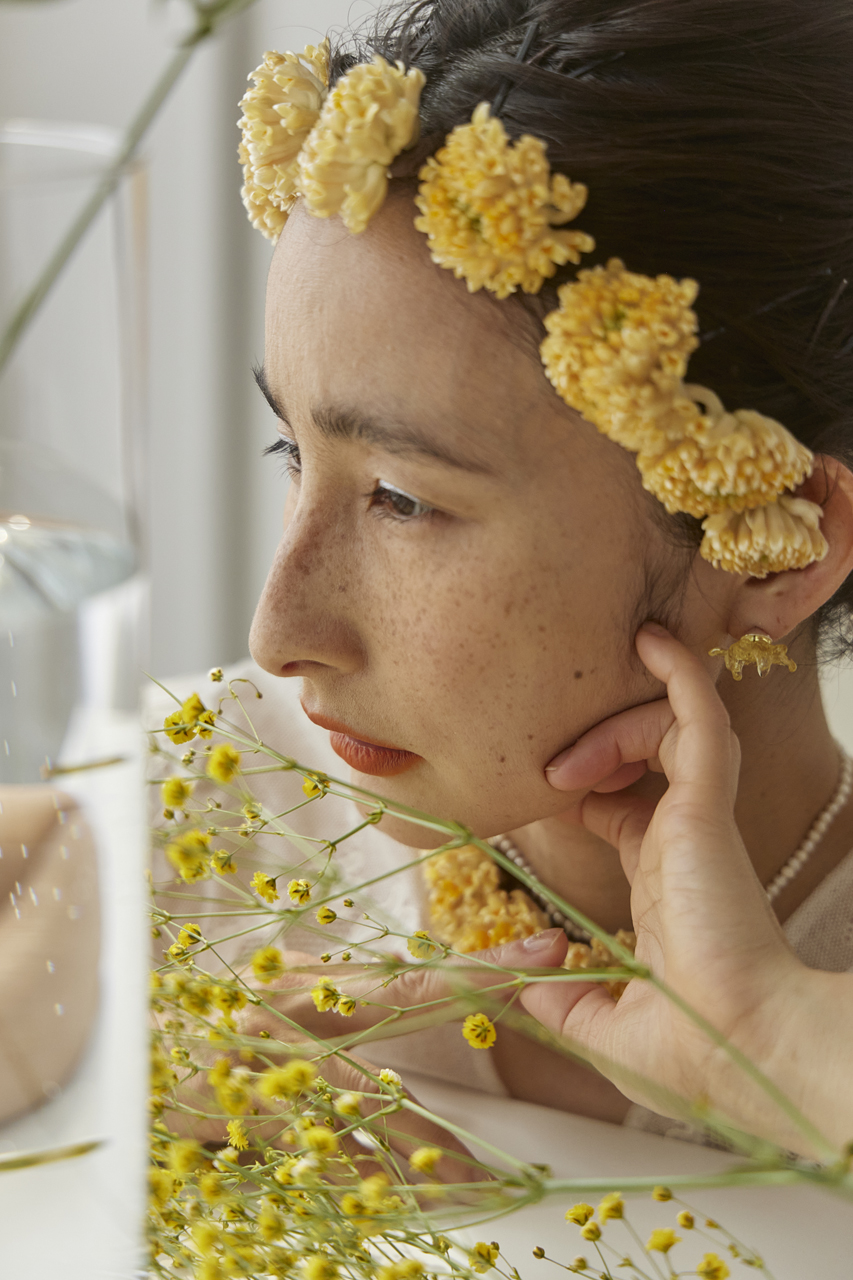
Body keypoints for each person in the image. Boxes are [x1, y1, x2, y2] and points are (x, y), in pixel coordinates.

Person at [158, 0, 853, 1161]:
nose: (278, 629)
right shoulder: (200, 800)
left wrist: (770, 1038)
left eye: (401, 499)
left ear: (773, 544)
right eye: (291, 450)